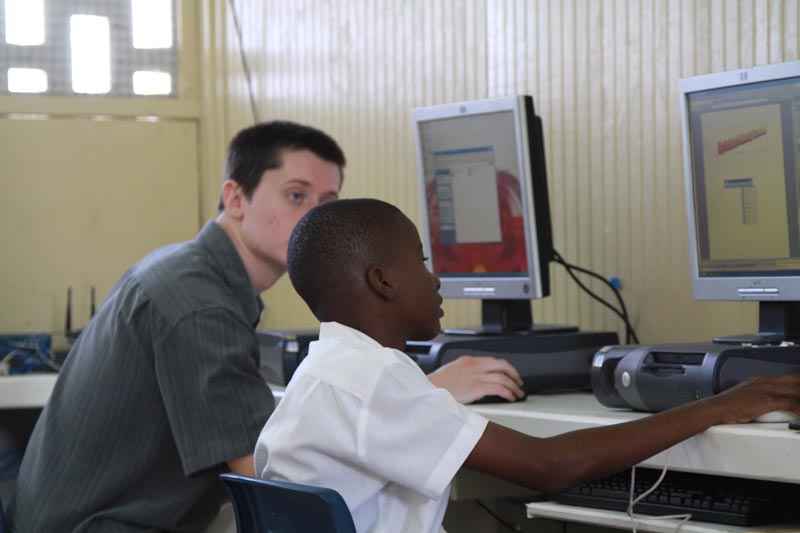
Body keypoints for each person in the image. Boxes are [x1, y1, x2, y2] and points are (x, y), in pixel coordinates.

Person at [8, 121, 522, 533]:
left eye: (327, 202)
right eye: (296, 196)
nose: (314, 217)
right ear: (235, 199)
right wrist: (421, 395)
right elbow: (265, 471)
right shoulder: (199, 301)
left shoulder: (192, 272)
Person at [255, 198, 800, 533]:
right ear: (382, 281)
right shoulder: (372, 378)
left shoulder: (327, 369)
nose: (435, 278)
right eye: (421, 261)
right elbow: (549, 467)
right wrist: (719, 406)